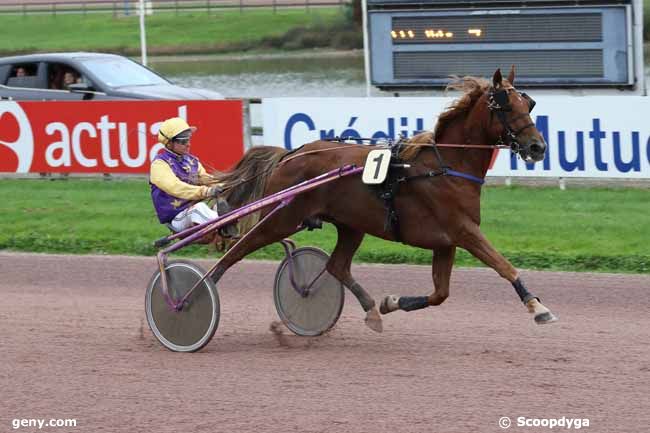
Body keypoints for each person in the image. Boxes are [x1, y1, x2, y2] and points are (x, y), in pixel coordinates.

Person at [149, 117, 238, 238]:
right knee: (199, 208)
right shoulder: (159, 164)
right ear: (169, 143)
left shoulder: (192, 160)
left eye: (188, 139)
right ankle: (227, 226)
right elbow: (175, 187)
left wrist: (228, 184)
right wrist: (205, 191)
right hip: (176, 218)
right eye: (183, 141)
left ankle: (230, 225)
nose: (188, 144)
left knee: (226, 202)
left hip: (192, 212)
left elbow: (206, 179)